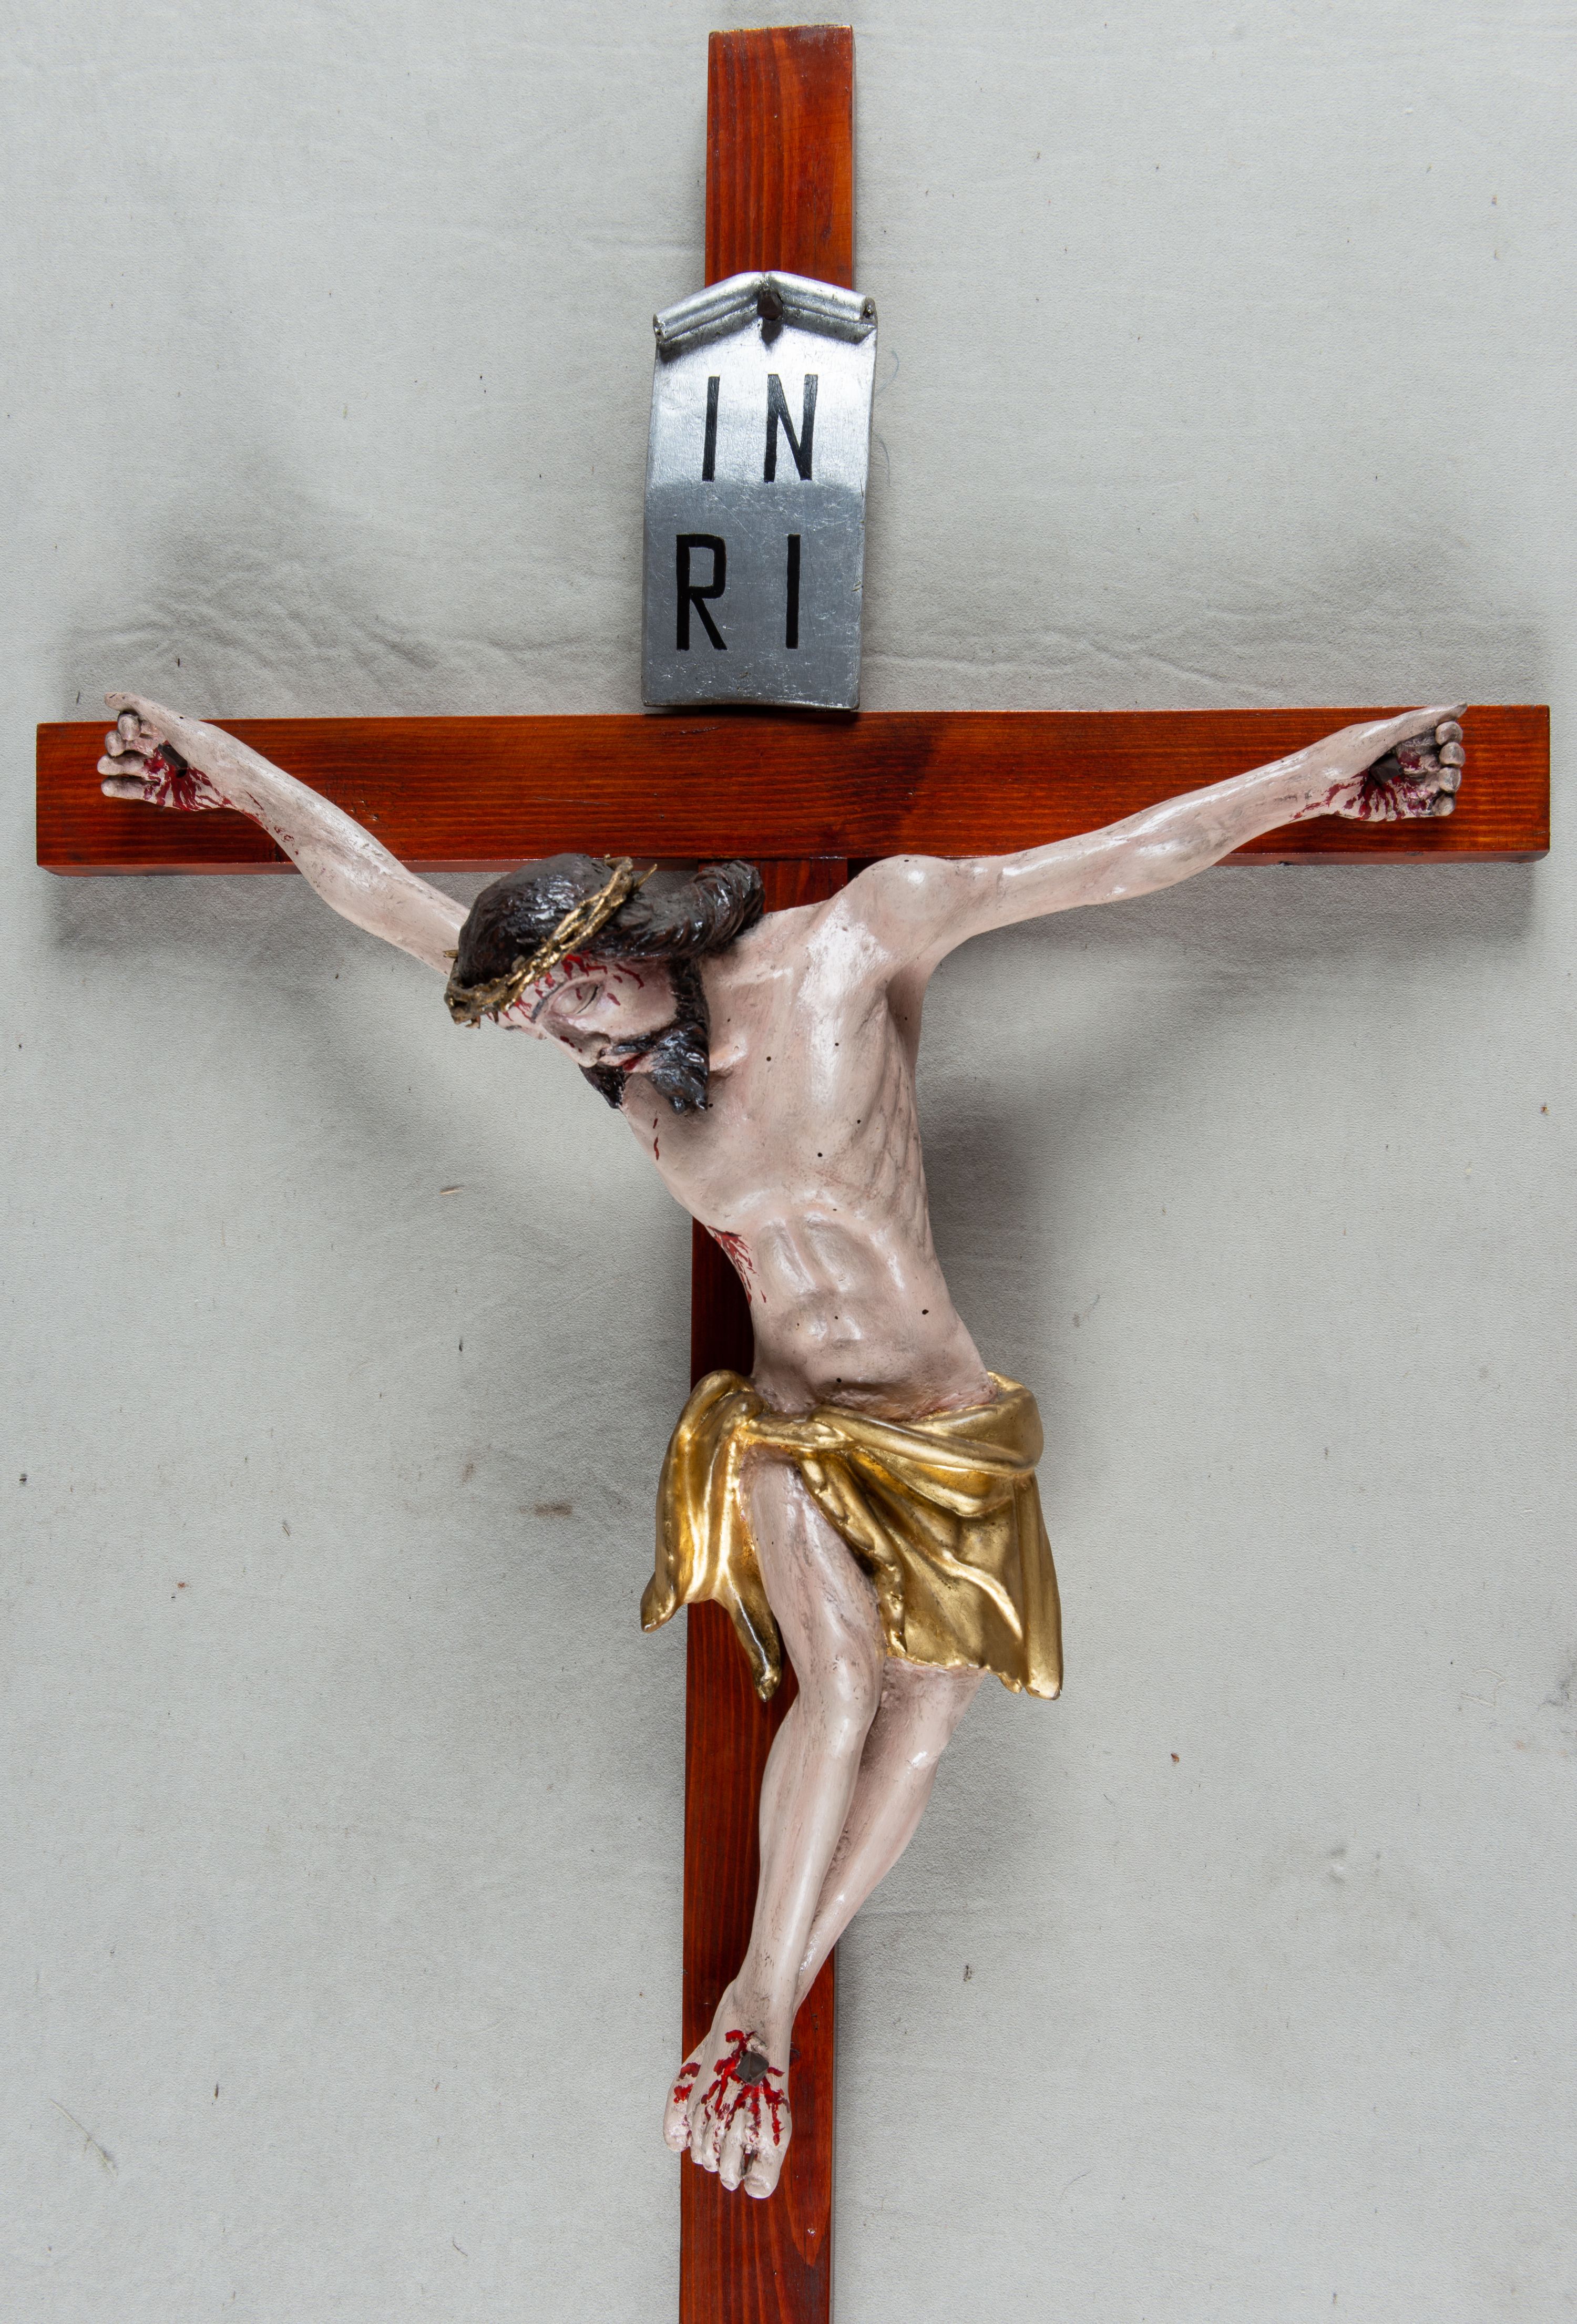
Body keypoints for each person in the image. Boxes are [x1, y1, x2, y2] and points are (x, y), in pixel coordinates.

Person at [99, 691, 1466, 2198]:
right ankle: (756, 2002)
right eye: (546, 1023)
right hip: (792, 1423)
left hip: (943, 1424)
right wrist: (220, 778)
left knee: (928, 1725)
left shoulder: (861, 940)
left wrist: (1324, 783)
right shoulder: (621, 1062)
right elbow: (382, 895)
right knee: (847, 1684)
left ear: (631, 933)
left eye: (577, 995)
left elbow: (1116, 860)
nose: (573, 1037)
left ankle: (763, 2004)